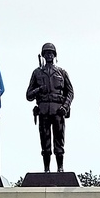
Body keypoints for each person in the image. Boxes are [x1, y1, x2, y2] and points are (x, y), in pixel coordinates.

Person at [25, 43, 74, 173]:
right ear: (43, 55)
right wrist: (39, 89)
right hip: (43, 110)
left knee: (59, 140)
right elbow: (28, 95)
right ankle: (46, 168)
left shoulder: (61, 72)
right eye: (46, 53)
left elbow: (70, 92)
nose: (49, 55)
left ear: (55, 55)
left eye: (51, 53)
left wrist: (65, 106)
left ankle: (60, 167)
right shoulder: (37, 73)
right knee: (45, 140)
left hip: (58, 110)